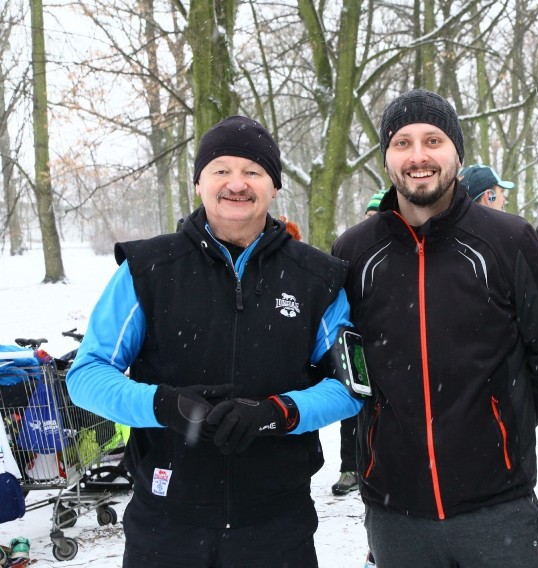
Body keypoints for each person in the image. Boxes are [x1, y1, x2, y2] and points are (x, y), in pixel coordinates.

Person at [67, 115, 363, 568]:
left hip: (276, 526)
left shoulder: (316, 278)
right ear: (199, 183)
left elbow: (351, 387)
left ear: (274, 186)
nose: (236, 184)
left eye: (253, 171)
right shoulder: (148, 270)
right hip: (166, 523)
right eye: (221, 170)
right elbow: (87, 374)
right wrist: (164, 405)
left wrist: (278, 413)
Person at [332, 88, 538, 567]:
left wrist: (499, 427)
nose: (418, 156)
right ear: (386, 157)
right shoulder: (355, 251)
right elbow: (343, 360)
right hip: (395, 514)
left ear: (457, 154)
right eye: (402, 142)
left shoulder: (509, 240)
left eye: (433, 140)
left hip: (498, 508)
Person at [332, 189, 388, 497]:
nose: (373, 220)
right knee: (351, 407)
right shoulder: (351, 248)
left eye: (378, 214)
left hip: (391, 348)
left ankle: (386, 464)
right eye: (369, 215)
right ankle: (349, 468)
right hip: (354, 343)